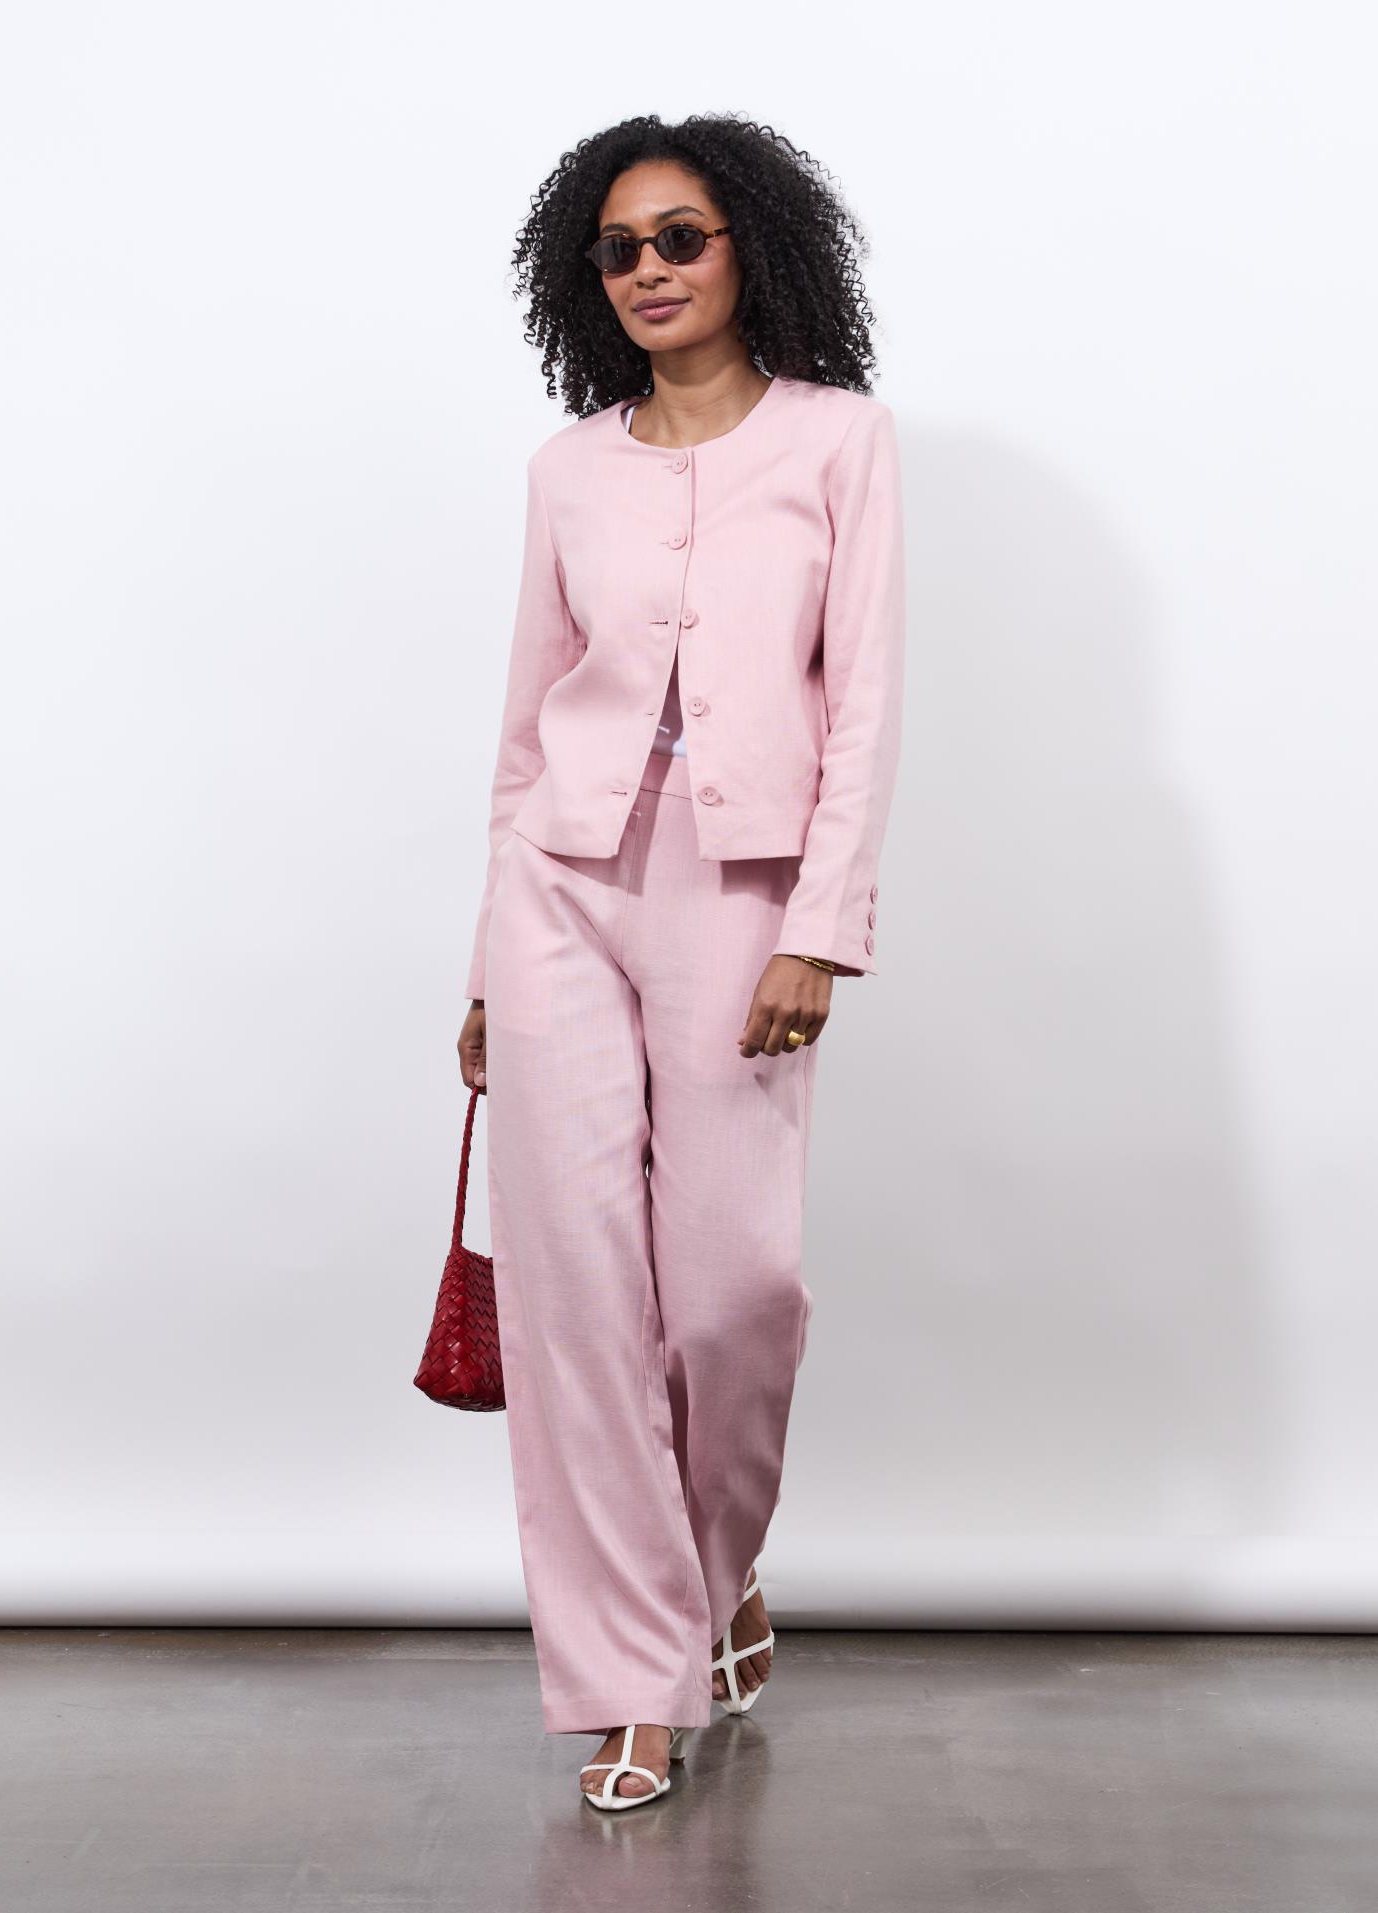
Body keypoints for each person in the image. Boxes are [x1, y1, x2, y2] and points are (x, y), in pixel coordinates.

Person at [456, 111, 906, 1811]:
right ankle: (634, 1681)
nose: (647, 268)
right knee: (576, 1294)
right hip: (560, 884)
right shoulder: (567, 470)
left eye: (681, 238)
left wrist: (820, 926)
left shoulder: (840, 442)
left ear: (749, 248)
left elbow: (864, 703)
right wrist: (486, 963)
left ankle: (712, 1583)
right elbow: (524, 726)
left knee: (732, 1289)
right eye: (619, 248)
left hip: (743, 887)